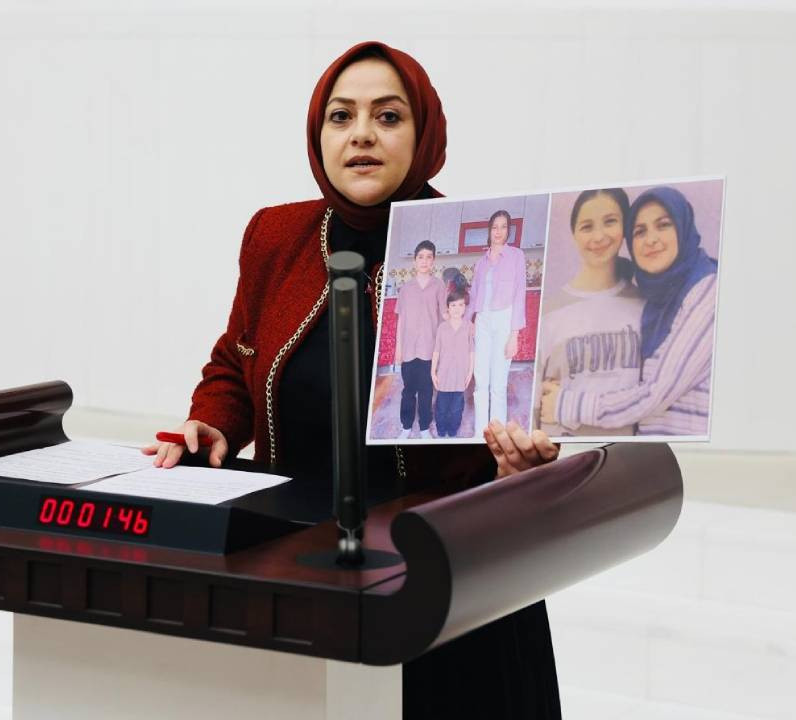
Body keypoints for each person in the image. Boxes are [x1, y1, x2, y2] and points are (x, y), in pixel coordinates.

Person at [141, 41, 562, 717]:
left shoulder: (482, 247)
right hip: (300, 569)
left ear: (424, 134)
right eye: (341, 117)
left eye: (388, 117)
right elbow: (234, 361)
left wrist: (516, 466)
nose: (361, 134)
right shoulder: (276, 235)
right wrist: (212, 420)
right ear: (319, 136)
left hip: (446, 583)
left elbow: (508, 388)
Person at [541, 186, 718, 436]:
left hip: (684, 455)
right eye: (640, 231)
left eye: (663, 225)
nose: (651, 239)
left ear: (683, 227)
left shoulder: (707, 292)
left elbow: (656, 392)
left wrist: (567, 405)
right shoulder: (656, 302)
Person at [535, 189, 644, 436]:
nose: (598, 236)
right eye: (587, 227)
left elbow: (653, 396)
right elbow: (535, 409)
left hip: (626, 453)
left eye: (610, 221)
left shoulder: (646, 306)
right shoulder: (550, 312)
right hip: (562, 453)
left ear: (625, 227)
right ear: (574, 233)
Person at [467, 210, 527, 428]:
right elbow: (474, 295)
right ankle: (480, 433)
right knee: (481, 382)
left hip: (504, 320)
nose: (499, 231)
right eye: (495, 227)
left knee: (498, 384)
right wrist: (470, 322)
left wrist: (514, 336)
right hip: (482, 321)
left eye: (503, 227)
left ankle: (497, 430)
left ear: (508, 230)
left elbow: (520, 294)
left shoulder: (516, 256)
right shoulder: (481, 262)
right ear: (489, 230)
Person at [394, 239, 446, 439]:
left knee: (426, 390)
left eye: (429, 257)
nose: (424, 261)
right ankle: (406, 426)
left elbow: (444, 317)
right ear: (415, 260)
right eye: (421, 257)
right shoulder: (406, 289)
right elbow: (401, 320)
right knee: (408, 390)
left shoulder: (439, 286)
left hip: (429, 348)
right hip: (408, 348)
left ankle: (424, 427)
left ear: (433, 261)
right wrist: (398, 348)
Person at [431, 289, 474, 438]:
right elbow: (436, 351)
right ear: (448, 308)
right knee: (441, 407)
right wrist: (433, 372)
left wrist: (470, 372)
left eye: (461, 305)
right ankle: (441, 429)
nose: (457, 309)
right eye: (453, 305)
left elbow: (471, 351)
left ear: (465, 307)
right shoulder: (442, 328)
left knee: (456, 408)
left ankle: (453, 429)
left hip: (461, 375)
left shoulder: (468, 327)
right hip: (443, 374)